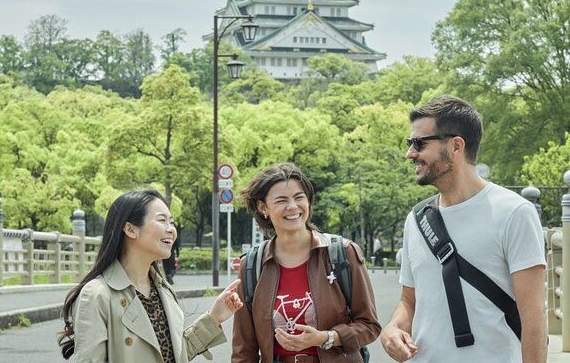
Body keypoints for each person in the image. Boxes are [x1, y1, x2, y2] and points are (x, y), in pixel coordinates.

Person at [380, 95, 546, 363]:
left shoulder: (514, 213)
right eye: (410, 143)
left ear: (456, 146)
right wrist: (393, 328)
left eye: (419, 143)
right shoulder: (417, 218)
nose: (410, 153)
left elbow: (534, 319)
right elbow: (409, 300)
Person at [59, 189, 243, 362]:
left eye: (171, 222)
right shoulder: (97, 294)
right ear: (131, 230)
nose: (171, 229)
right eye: (162, 220)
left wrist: (214, 317)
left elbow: (172, 355)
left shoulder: (162, 289)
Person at [232, 162, 381, 363]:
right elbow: (244, 350)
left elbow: (370, 325)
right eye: (281, 200)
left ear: (309, 201)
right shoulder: (251, 266)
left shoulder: (342, 252)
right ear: (263, 207)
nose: (292, 207)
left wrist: (327, 337)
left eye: (299, 197)